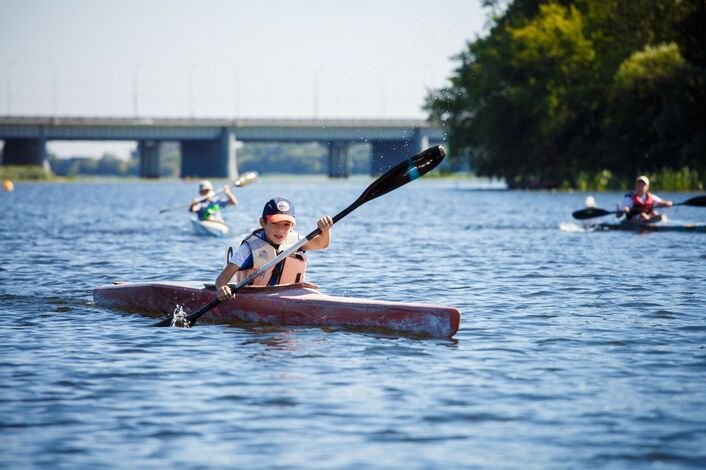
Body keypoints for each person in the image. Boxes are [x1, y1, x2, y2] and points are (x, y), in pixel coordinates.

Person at [215, 197, 333, 301]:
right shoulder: (249, 248)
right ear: (263, 223)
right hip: (256, 299)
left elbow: (321, 244)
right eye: (274, 223)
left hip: (292, 297)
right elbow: (222, 279)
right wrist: (222, 289)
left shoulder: (297, 241)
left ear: (292, 226)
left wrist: (326, 229)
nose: (280, 230)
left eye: (286, 225)